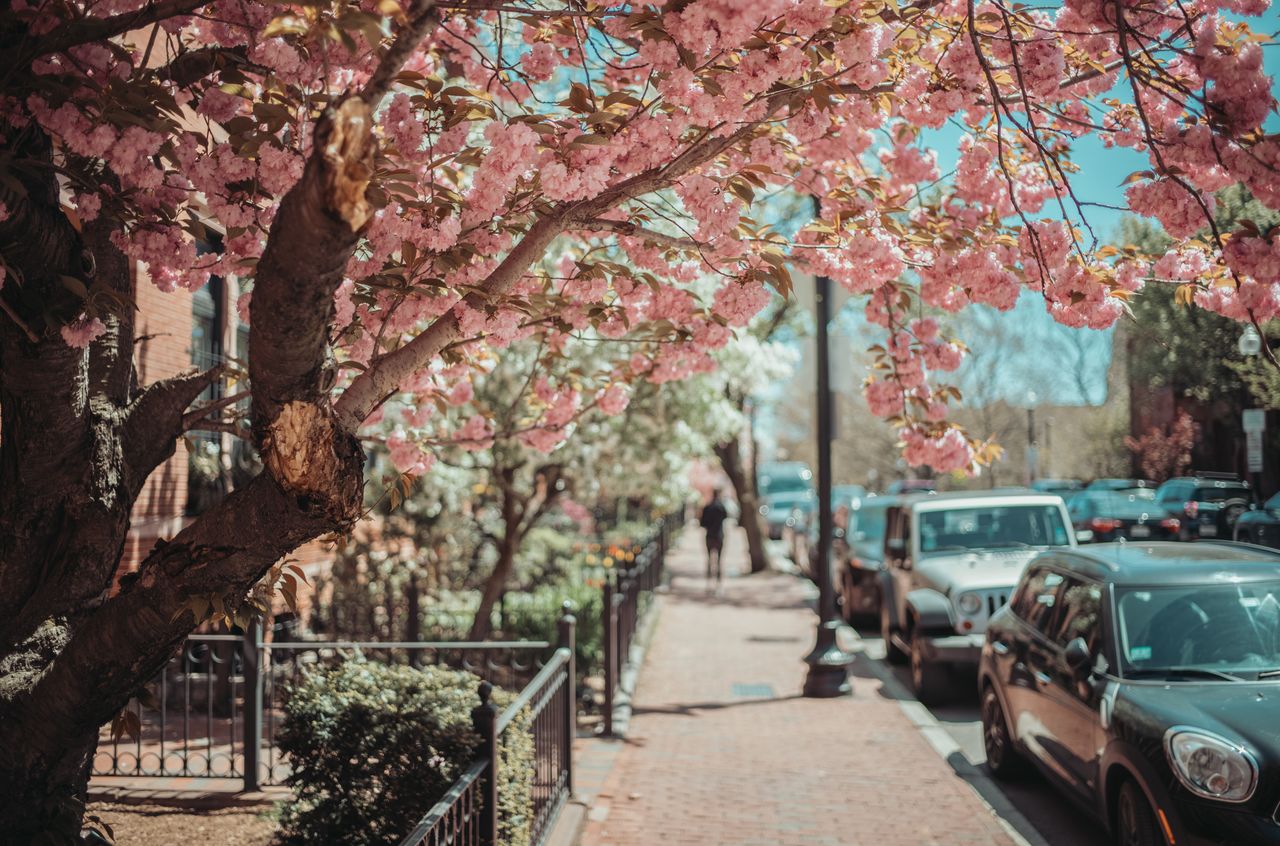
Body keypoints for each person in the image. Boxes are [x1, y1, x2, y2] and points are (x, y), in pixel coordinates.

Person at [699, 489, 729, 591]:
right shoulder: (721, 507)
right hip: (719, 536)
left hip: (710, 536)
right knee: (719, 561)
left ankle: (709, 584)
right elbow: (726, 517)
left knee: (709, 560)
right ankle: (719, 585)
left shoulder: (707, 507)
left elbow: (702, 523)